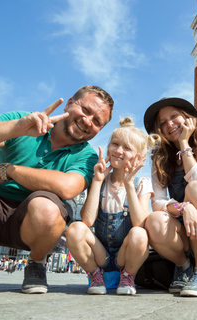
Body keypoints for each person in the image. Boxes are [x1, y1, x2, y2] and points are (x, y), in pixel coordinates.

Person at [0, 85, 114, 293]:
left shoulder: (88, 156)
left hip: (36, 222)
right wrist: (14, 128)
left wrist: (9, 170)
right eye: (86, 110)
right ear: (70, 102)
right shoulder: (24, 120)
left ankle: (36, 262)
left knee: (46, 207)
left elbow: (67, 188)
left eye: (97, 122)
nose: (88, 121)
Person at [143, 97, 197, 297]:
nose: (169, 124)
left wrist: (183, 144)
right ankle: (184, 266)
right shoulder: (159, 159)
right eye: (162, 123)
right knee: (153, 220)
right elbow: (158, 202)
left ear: (188, 118)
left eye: (173, 116)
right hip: (181, 231)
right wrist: (184, 208)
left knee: (195, 188)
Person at [66, 117, 157, 295]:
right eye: (115, 144)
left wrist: (129, 184)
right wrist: (97, 181)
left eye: (127, 148)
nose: (118, 150)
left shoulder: (141, 183)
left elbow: (139, 224)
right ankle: (95, 275)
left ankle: (128, 276)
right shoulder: (100, 179)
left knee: (139, 234)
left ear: (140, 156)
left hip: (126, 255)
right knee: (75, 228)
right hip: (101, 255)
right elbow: (87, 220)